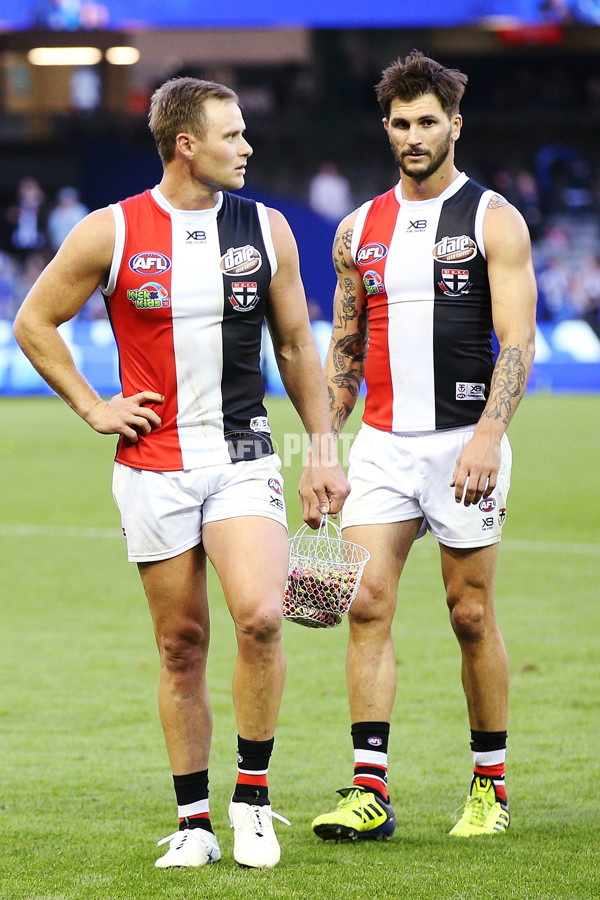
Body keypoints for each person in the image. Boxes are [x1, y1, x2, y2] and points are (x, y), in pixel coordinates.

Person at [13, 76, 349, 869]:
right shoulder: (112, 231)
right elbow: (34, 322)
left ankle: (254, 805)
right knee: (182, 645)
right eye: (232, 135)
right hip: (152, 466)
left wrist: (324, 448)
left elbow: (298, 346)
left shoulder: (267, 230)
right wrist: (96, 407)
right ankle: (195, 821)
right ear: (187, 144)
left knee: (263, 617)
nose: (248, 147)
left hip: (244, 458)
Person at [303, 51, 537, 841]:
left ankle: (489, 787)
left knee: (469, 614)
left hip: (465, 445)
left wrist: (488, 436)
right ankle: (370, 792)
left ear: (454, 125)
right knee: (361, 604)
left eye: (427, 121)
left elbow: (517, 341)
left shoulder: (494, 219)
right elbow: (343, 347)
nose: (413, 135)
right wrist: (322, 450)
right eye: (400, 123)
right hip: (381, 446)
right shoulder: (355, 230)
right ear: (386, 127)